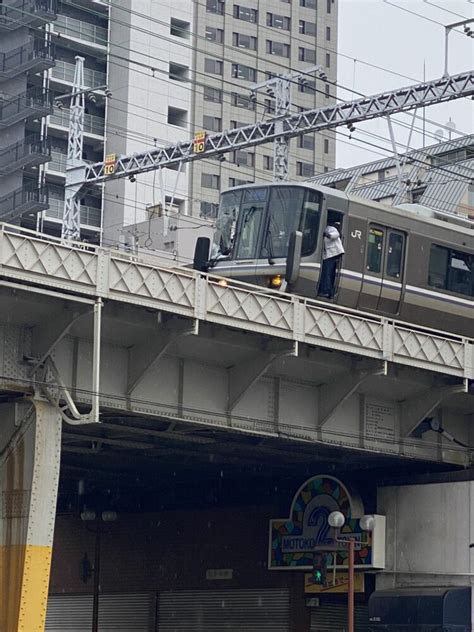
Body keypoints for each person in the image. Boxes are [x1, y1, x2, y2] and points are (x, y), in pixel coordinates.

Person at [318, 222, 344, 299]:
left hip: (333, 253)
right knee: (328, 273)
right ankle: (328, 291)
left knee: (327, 273)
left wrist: (326, 234)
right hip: (329, 254)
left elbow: (335, 235)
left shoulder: (330, 228)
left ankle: (327, 291)